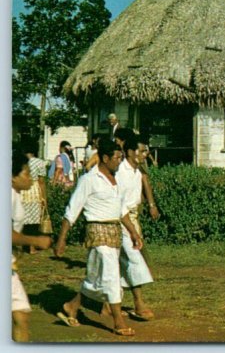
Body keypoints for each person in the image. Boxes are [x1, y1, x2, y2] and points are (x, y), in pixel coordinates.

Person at [53, 139, 144, 337]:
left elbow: (122, 211)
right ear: (105, 158)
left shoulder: (115, 180)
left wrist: (134, 233)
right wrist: (61, 239)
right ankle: (118, 321)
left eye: (121, 158)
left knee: (95, 278)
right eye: (117, 158)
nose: (120, 162)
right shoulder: (89, 180)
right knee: (111, 275)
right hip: (97, 233)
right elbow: (72, 210)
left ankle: (71, 306)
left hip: (114, 234)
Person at [12, 150, 54, 342]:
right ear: (12, 177)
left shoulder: (15, 196)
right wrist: (35, 241)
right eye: (26, 174)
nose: (31, 179)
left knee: (21, 315)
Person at [115, 133, 157, 321]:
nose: (144, 154)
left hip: (133, 218)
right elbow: (118, 204)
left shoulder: (136, 171)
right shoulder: (120, 172)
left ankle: (107, 305)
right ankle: (139, 303)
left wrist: (150, 205)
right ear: (130, 152)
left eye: (146, 151)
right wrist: (131, 230)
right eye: (141, 151)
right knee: (134, 259)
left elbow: (143, 186)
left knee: (116, 265)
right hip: (120, 221)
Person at [22, 147, 48, 252]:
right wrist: (44, 197)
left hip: (22, 191)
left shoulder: (19, 162)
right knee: (34, 220)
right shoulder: (39, 163)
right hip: (34, 192)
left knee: (24, 219)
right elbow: (41, 181)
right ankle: (32, 247)